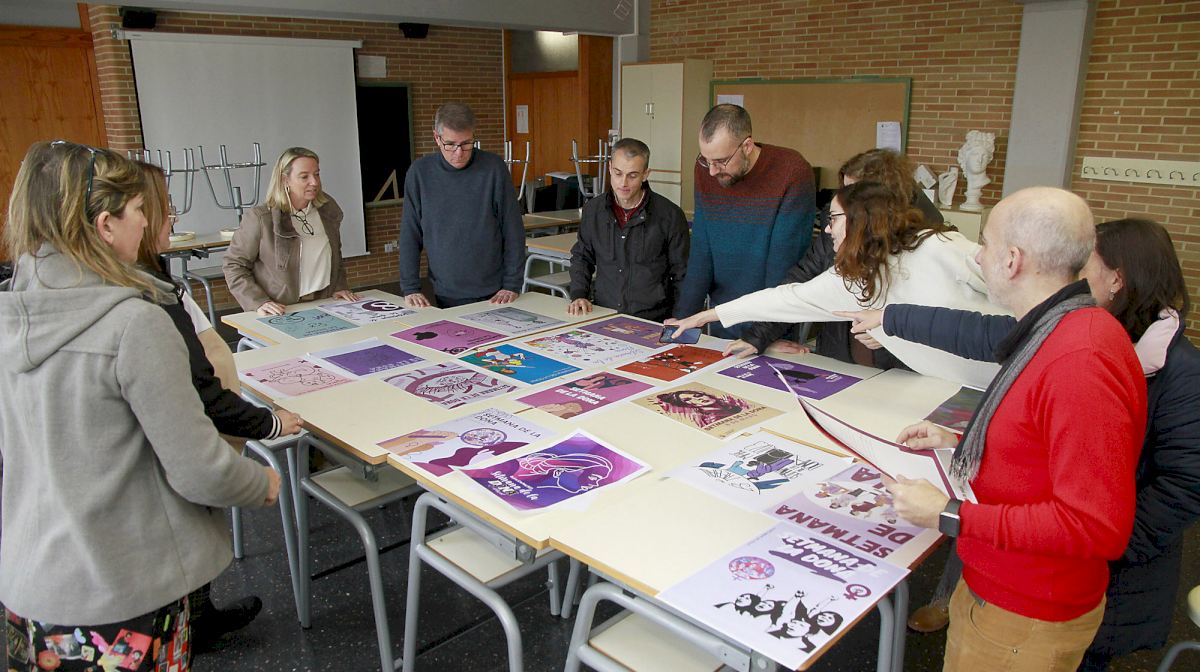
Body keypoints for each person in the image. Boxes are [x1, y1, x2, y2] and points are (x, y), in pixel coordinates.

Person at [842, 217, 1200, 670]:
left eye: (986, 244)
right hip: (1013, 576)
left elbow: (1098, 523)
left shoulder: (1085, 355)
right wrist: (963, 440)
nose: (977, 256)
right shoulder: (1061, 329)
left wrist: (951, 514)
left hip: (1039, 593)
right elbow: (1035, 427)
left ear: (1013, 259)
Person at [0, 141, 280, 672]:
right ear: (105, 225)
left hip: (29, 587)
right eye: (138, 210)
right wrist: (258, 482)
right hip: (123, 595)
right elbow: (198, 468)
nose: (148, 221)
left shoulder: (10, 316)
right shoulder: (135, 324)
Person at [136, 162, 304, 648]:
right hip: (200, 443)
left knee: (193, 533)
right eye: (164, 208)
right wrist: (267, 426)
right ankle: (188, 626)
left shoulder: (155, 278)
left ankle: (198, 614)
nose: (173, 218)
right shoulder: (144, 300)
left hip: (210, 438)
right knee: (183, 532)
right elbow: (199, 389)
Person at [668, 181, 1005, 389]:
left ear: (861, 220)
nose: (827, 229)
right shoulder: (853, 276)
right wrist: (706, 316)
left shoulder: (937, 247)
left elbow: (1018, 294)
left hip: (1008, 375)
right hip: (955, 389)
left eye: (833, 219)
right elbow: (787, 299)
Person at [736, 148, 944, 367]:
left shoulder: (927, 239)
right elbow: (801, 282)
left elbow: (937, 319)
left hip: (900, 368)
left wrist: (894, 332)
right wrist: (758, 337)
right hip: (839, 356)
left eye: (855, 192)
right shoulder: (837, 226)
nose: (847, 200)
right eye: (845, 190)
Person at [673, 104, 817, 338]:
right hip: (722, 314)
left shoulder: (792, 171)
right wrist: (684, 319)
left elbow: (784, 267)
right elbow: (702, 249)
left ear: (747, 146)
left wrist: (765, 336)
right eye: (706, 160)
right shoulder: (707, 170)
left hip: (771, 322)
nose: (712, 171)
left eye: (721, 161)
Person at [400, 102, 524, 308]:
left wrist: (512, 283)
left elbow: (513, 229)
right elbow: (410, 234)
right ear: (436, 138)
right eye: (450, 144)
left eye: (466, 144)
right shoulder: (420, 173)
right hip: (446, 290)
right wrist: (410, 287)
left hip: (495, 291)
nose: (459, 153)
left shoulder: (493, 168)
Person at [223, 146, 359, 315]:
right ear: (285, 179)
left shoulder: (328, 209)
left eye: (317, 174)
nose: (314, 182)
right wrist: (258, 301)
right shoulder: (261, 218)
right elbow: (234, 265)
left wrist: (340, 286)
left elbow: (335, 255)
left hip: (325, 303)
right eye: (304, 176)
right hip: (282, 310)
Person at [567, 137, 689, 320]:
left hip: (653, 318)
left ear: (645, 174)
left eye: (632, 176)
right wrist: (579, 294)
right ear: (610, 168)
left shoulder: (670, 215)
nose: (623, 183)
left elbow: (682, 273)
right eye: (618, 173)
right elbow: (582, 258)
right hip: (603, 314)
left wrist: (681, 317)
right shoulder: (593, 210)